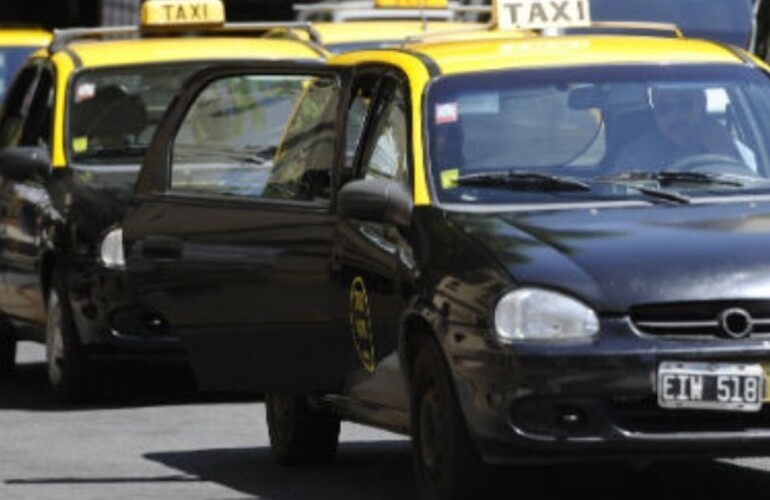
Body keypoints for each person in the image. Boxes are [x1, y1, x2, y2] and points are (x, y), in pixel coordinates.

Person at [613, 85, 746, 172]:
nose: (675, 116)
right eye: (663, 109)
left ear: (702, 104)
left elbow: (750, 184)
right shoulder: (637, 155)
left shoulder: (726, 143)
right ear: (655, 115)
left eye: (685, 105)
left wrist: (726, 152)